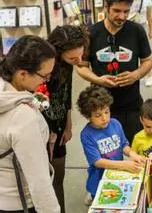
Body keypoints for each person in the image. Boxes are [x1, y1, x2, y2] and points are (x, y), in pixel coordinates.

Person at [77, 0, 152, 144]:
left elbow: (147, 61)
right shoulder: (91, 33)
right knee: (108, 155)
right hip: (101, 109)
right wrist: (98, 80)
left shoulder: (137, 30)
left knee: (137, 151)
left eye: (126, 11)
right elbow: (81, 67)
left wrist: (136, 75)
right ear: (106, 7)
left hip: (132, 105)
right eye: (117, 11)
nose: (122, 16)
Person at [0, 36, 60, 213]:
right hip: (21, 202)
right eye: (44, 75)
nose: (46, 80)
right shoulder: (23, 117)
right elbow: (39, 183)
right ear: (22, 74)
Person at [43, 25, 87, 213]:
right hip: (43, 130)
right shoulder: (43, 67)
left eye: (80, 56)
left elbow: (66, 94)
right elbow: (38, 103)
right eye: (72, 58)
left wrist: (68, 124)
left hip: (59, 127)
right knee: (45, 180)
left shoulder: (67, 66)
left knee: (58, 177)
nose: (78, 62)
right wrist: (50, 135)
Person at [78, 85, 145, 198]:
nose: (104, 118)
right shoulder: (87, 134)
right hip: (99, 180)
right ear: (88, 116)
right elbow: (97, 161)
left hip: (117, 175)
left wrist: (132, 154)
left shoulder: (115, 123)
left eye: (107, 112)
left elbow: (123, 144)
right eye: (98, 115)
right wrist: (123, 165)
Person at [128, 0, 152, 87]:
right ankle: (132, 75)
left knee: (146, 54)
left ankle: (149, 77)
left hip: (143, 27)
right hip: (130, 28)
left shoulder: (147, 1)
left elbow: (149, 17)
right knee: (131, 53)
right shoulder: (128, 0)